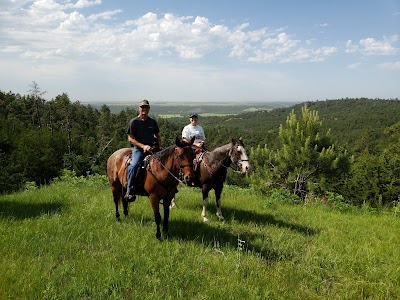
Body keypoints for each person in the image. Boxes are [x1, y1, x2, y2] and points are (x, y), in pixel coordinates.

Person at [125, 99, 161, 201]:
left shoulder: (152, 122)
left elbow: (158, 135)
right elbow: (130, 138)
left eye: (146, 107)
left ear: (149, 109)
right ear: (139, 108)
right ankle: (129, 189)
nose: (144, 109)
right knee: (134, 165)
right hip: (139, 149)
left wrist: (160, 146)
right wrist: (143, 146)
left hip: (152, 148)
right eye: (142, 107)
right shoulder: (134, 122)